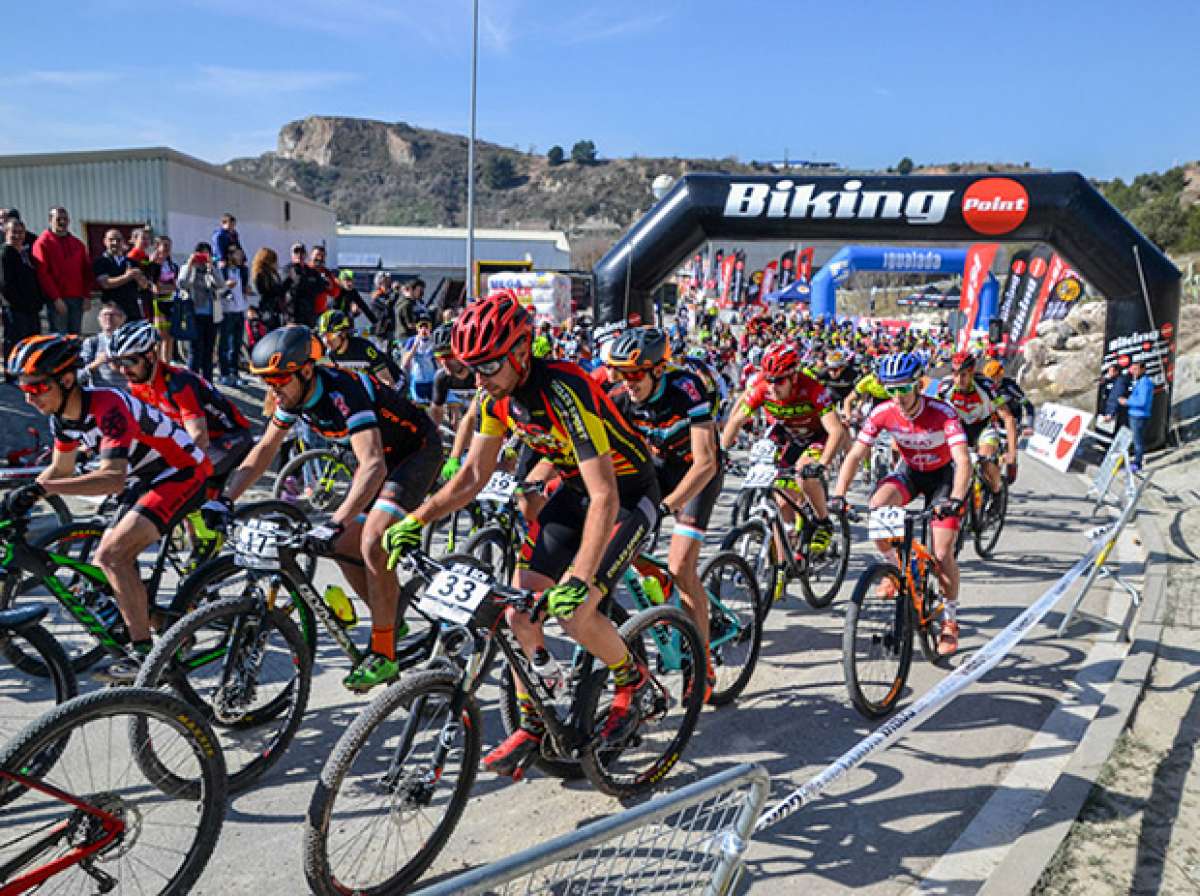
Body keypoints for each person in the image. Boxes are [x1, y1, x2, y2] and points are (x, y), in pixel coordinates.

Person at [382, 290, 661, 780]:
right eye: (473, 368)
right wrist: (416, 520)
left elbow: (605, 495)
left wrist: (579, 575)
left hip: (627, 495)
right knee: (517, 611)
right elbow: (472, 477)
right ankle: (534, 722)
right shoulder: (495, 398)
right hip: (575, 492)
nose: (479, 379)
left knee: (575, 611)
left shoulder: (563, 389)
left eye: (489, 366)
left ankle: (632, 681)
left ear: (519, 351)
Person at [216, 326, 442, 692]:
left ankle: (384, 653)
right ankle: (391, 615)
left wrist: (336, 520)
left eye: (278, 379)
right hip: (382, 460)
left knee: (372, 539)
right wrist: (225, 498)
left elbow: (372, 466)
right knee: (343, 545)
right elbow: (265, 450)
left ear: (306, 370)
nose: (272, 388)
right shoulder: (293, 398)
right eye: (266, 380)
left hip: (415, 453)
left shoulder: (342, 392)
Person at [8, 333, 213, 682]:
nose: (29, 398)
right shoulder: (62, 417)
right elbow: (60, 469)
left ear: (67, 379)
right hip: (143, 478)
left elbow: (112, 479)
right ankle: (167, 623)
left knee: (112, 555)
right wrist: (21, 497)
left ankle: (144, 656)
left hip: (181, 471)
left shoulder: (108, 406)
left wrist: (40, 490)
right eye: (25, 389)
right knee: (104, 568)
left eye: (38, 388)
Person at [605, 327, 721, 701]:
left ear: (658, 368)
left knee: (682, 566)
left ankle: (701, 663)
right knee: (614, 541)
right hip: (656, 470)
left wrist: (670, 504)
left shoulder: (686, 389)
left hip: (696, 474)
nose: (627, 381)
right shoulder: (621, 398)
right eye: (621, 373)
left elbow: (706, 462)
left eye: (635, 373)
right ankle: (663, 583)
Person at [831, 351, 971, 656]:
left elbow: (962, 460)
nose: (897, 396)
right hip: (910, 474)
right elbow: (855, 454)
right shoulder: (883, 412)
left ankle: (949, 620)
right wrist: (838, 494)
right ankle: (899, 570)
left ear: (918, 385)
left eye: (903, 388)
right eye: (890, 389)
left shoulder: (943, 413)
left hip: (942, 479)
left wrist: (956, 499)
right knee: (878, 507)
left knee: (943, 551)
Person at [720, 342, 847, 557]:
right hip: (789, 435)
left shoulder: (813, 388)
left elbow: (836, 430)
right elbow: (736, 420)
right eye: (769, 380)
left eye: (778, 381)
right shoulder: (763, 388)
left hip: (816, 436)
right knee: (780, 498)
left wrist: (822, 465)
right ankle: (783, 558)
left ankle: (823, 522)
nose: (772, 387)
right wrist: (721, 452)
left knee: (804, 473)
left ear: (794, 377)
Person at [108, 320, 253, 500]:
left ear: (150, 356)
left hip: (228, 438)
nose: (123, 369)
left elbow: (199, 437)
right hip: (195, 440)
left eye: (130, 361)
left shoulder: (178, 383)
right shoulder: (138, 385)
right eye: (117, 362)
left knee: (178, 485)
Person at [937, 352, 1018, 497]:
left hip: (984, 427)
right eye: (955, 374)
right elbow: (934, 415)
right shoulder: (944, 387)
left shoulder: (986, 386)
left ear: (972, 372)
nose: (958, 379)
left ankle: (997, 492)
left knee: (986, 461)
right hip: (960, 429)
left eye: (963, 374)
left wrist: (1012, 453)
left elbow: (1008, 418)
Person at [32, 207, 92, 335]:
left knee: (75, 337)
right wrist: (56, 299)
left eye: (65, 219)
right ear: (50, 220)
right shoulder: (43, 243)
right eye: (58, 219)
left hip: (77, 299)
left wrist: (87, 296)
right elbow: (43, 274)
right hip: (58, 301)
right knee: (59, 338)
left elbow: (86, 271)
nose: (62, 222)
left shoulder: (78, 244)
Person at [176, 243, 226, 383]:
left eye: (206, 254)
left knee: (209, 351)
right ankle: (192, 382)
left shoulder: (211, 269)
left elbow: (221, 284)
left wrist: (212, 267)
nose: (203, 258)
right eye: (201, 254)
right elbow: (182, 283)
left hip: (211, 315)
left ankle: (208, 383)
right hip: (195, 315)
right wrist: (191, 264)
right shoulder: (187, 268)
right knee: (195, 351)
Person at [0, 216, 45, 370]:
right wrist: (21, 304)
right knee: (15, 342)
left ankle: (28, 368)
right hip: (15, 309)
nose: (18, 236)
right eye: (14, 232)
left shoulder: (25, 254)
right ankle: (12, 371)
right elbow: (6, 285)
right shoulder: (5, 254)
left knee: (32, 341)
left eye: (21, 232)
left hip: (31, 309)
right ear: (6, 233)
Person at [316, 309, 399, 385]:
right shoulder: (331, 354)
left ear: (343, 333)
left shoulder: (364, 348)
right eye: (323, 336)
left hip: (394, 383)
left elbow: (387, 381)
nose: (326, 341)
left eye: (330, 335)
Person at [92, 229, 147, 322]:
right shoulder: (100, 261)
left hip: (133, 309)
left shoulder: (132, 262)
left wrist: (140, 278)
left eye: (118, 240)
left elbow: (144, 286)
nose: (115, 243)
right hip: (113, 310)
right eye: (111, 240)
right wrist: (129, 276)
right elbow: (106, 283)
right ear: (105, 241)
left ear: (123, 242)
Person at [216, 245, 249, 386]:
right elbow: (215, 291)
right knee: (224, 344)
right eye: (237, 254)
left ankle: (234, 373)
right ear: (230, 256)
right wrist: (225, 286)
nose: (241, 257)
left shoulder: (242, 271)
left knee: (236, 345)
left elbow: (243, 288)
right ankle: (224, 373)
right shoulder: (221, 270)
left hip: (239, 310)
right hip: (226, 311)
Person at [79, 303, 129, 389]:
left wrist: (121, 367)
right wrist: (97, 363)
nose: (108, 318)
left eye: (113, 315)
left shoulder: (132, 342)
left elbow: (144, 375)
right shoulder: (92, 343)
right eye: (105, 315)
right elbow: (79, 376)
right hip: (100, 396)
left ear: (123, 318)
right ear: (99, 319)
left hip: (126, 396)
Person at [148, 235, 179, 364]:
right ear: (157, 247)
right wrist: (166, 287)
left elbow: (175, 286)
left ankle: (168, 362)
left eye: (169, 246)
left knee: (170, 336)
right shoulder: (152, 264)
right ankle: (157, 362)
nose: (167, 248)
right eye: (164, 245)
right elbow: (155, 287)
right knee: (160, 335)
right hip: (157, 303)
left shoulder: (172, 265)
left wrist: (167, 287)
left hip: (170, 302)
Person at [282, 243, 325, 327]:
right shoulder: (287, 270)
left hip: (309, 317)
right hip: (293, 318)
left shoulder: (311, 271)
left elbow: (321, 287)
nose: (299, 255)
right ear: (292, 255)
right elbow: (285, 288)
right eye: (296, 252)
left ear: (305, 254)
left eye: (302, 252)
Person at [1122, 360, 1154, 472]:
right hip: (1134, 414)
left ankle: (1137, 464)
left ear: (1143, 369)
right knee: (1135, 440)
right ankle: (1135, 460)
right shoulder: (1139, 381)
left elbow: (1142, 401)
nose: (1133, 372)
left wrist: (1127, 401)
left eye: (1136, 369)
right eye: (1132, 369)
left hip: (1139, 416)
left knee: (1138, 441)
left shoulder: (1145, 383)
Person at [400, 315, 437, 403]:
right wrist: (415, 346)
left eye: (426, 327)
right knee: (420, 407)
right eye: (421, 327)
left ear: (430, 328)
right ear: (417, 329)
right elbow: (404, 363)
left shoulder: (434, 339)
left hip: (432, 380)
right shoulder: (412, 341)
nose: (423, 330)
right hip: (417, 380)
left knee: (434, 407)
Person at [250, 247, 287, 330]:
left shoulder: (274, 274)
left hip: (276, 308)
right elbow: (262, 291)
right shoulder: (260, 275)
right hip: (266, 309)